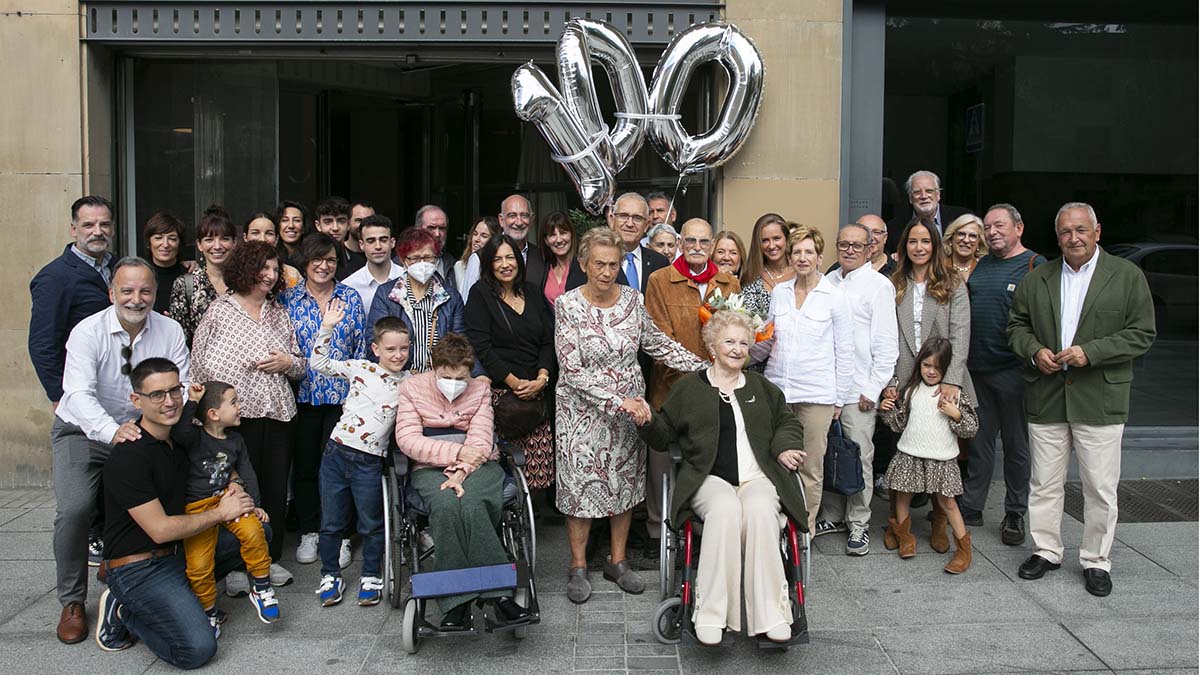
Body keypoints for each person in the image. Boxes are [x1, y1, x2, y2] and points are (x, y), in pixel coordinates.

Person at [1008, 202, 1155, 597]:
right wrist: (1034, 350)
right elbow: (1016, 326)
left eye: (1080, 230)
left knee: (1100, 487)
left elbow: (1142, 332)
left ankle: (1095, 560)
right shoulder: (1039, 277)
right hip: (1048, 393)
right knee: (1043, 483)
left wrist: (1091, 352)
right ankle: (1046, 550)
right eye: (1065, 232)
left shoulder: (1126, 276)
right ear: (1057, 238)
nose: (1073, 238)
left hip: (1100, 397)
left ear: (1097, 231)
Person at [554, 227, 706, 604]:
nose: (606, 272)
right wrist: (615, 400)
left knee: (623, 485)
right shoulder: (568, 305)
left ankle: (618, 561)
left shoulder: (633, 302)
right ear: (585, 264)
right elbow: (571, 370)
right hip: (581, 413)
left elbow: (658, 345)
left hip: (630, 412)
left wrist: (704, 366)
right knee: (580, 489)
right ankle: (577, 566)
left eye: (614, 264)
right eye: (599, 264)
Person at [637, 310, 807, 646]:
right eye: (729, 341)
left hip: (757, 477)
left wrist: (787, 447)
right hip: (709, 479)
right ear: (712, 345)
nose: (737, 348)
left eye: (744, 343)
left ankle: (772, 614)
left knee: (761, 513)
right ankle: (711, 615)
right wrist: (646, 420)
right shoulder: (689, 388)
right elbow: (664, 433)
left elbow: (787, 423)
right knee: (725, 510)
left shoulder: (762, 387)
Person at [49, 257, 189, 645]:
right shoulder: (87, 331)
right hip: (84, 429)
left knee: (156, 500)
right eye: (126, 290)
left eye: (145, 290)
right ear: (112, 293)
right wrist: (114, 433)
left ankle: (123, 572)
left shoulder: (170, 329)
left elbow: (182, 381)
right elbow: (78, 393)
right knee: (76, 508)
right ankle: (72, 601)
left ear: (155, 293)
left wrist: (152, 429)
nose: (136, 298)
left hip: (145, 429)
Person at [94, 358, 255, 666]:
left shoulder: (182, 441)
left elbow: (220, 463)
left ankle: (178, 597)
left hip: (177, 553)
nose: (169, 402)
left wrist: (235, 485)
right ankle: (125, 611)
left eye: (174, 391)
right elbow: (161, 530)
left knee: (255, 531)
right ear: (136, 400)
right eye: (157, 395)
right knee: (197, 649)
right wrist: (221, 513)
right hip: (139, 567)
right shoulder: (129, 456)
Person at [393, 334, 532, 630]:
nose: (454, 382)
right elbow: (407, 440)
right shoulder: (412, 388)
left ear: (471, 371)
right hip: (429, 467)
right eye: (447, 376)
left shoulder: (480, 389)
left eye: (461, 377)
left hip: (479, 466)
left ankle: (499, 596)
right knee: (445, 505)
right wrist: (455, 454)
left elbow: (481, 437)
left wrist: (461, 471)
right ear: (434, 368)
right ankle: (457, 601)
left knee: (471, 503)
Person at [190, 240, 305, 574]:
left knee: (274, 486)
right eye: (262, 268)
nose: (269, 276)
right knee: (240, 487)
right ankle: (239, 563)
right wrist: (203, 417)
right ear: (244, 269)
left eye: (274, 269)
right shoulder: (219, 311)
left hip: (279, 413)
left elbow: (300, 365)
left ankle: (270, 558)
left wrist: (287, 362)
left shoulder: (279, 312)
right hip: (236, 418)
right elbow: (198, 366)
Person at [879, 219, 975, 554]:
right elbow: (884, 334)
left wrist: (952, 380)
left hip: (943, 376)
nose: (919, 248)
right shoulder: (893, 282)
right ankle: (898, 522)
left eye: (925, 241)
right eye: (912, 242)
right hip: (904, 376)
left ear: (935, 245)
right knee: (902, 450)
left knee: (942, 451)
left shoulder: (951, 282)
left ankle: (939, 519)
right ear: (904, 246)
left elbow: (960, 334)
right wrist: (890, 382)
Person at [643, 218, 740, 547]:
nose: (697, 247)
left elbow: (736, 333)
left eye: (703, 242)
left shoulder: (728, 283)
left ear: (713, 245)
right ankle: (659, 529)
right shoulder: (660, 280)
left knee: (708, 457)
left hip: (717, 391)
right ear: (680, 244)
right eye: (690, 241)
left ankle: (700, 524)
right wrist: (696, 373)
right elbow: (659, 337)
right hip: (669, 388)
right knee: (661, 461)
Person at [311, 302, 411, 608]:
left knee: (371, 522)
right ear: (375, 348)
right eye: (391, 348)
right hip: (336, 453)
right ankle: (330, 574)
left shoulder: (409, 382)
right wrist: (327, 327)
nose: (397, 355)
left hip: (369, 460)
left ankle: (371, 574)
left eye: (404, 349)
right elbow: (319, 363)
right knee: (331, 521)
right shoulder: (361, 367)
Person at [754, 225, 853, 534]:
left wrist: (838, 399)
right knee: (774, 461)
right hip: (778, 392)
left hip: (817, 396)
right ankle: (775, 525)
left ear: (819, 257)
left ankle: (804, 532)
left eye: (809, 251)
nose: (802, 257)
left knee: (810, 466)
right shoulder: (780, 292)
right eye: (796, 251)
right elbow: (769, 339)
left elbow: (845, 351)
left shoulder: (834, 297)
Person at [959, 203, 1047, 540]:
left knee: (1016, 447)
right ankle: (972, 506)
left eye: (999, 226)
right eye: (988, 227)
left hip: (1015, 373)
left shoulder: (1034, 266)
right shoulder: (981, 266)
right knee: (979, 444)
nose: (992, 232)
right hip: (977, 371)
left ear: (1018, 228)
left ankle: (1015, 513)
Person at [283, 233, 367, 568]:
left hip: (341, 400)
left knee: (339, 470)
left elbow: (360, 348)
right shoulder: (289, 300)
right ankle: (310, 530)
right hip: (302, 398)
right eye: (317, 258)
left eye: (331, 259)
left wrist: (357, 395)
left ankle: (342, 535)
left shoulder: (350, 297)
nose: (324, 265)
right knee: (305, 468)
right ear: (305, 261)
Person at [814, 223, 898, 555]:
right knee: (830, 453)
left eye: (857, 245)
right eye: (844, 244)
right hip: (826, 385)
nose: (849, 250)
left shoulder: (879, 286)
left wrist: (874, 387)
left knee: (859, 455)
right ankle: (832, 514)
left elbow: (887, 343)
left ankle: (859, 522)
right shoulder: (827, 281)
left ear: (870, 248)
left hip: (860, 389)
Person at [174, 382, 278, 631]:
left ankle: (261, 586)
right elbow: (180, 433)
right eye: (234, 402)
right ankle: (209, 610)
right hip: (197, 509)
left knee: (255, 531)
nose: (240, 406)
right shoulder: (195, 439)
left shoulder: (236, 440)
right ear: (213, 414)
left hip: (227, 499)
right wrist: (193, 401)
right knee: (199, 565)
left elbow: (247, 473)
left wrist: (254, 505)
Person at [464, 234, 557, 511]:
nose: (505, 264)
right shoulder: (481, 294)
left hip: (537, 391)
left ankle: (524, 518)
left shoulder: (532, 291)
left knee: (537, 475)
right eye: (497, 259)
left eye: (510, 257)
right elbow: (481, 345)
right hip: (501, 393)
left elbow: (547, 340)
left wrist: (542, 378)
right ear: (488, 264)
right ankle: (504, 516)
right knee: (502, 470)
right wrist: (514, 382)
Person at [879, 338, 979, 573]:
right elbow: (899, 423)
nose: (931, 371)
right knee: (903, 495)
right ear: (919, 365)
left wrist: (955, 415)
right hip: (910, 454)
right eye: (926, 365)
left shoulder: (953, 393)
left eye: (937, 367)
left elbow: (971, 428)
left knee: (948, 502)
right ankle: (904, 536)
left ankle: (964, 549)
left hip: (941, 458)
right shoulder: (911, 390)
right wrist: (887, 410)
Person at [29, 196, 117, 416]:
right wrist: (59, 396)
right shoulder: (54, 278)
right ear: (73, 229)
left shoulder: (119, 266)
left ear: (112, 228)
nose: (98, 231)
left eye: (104, 224)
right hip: (80, 389)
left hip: (119, 384)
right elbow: (43, 343)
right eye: (88, 225)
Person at [367, 226, 465, 372]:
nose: (422, 263)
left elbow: (460, 344)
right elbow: (373, 341)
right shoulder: (387, 294)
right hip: (398, 379)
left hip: (439, 380)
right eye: (415, 258)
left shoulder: (450, 297)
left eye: (428, 257)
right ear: (403, 260)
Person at [169, 206, 238, 346]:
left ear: (234, 243)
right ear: (199, 245)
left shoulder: (245, 283)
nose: (217, 246)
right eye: (209, 239)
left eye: (225, 239)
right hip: (198, 365)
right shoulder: (186, 285)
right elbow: (180, 339)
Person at [461, 195, 545, 293]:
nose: (518, 222)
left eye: (524, 215)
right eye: (512, 216)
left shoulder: (541, 256)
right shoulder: (480, 258)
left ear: (531, 219)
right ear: (501, 220)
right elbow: (468, 303)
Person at [884, 170, 972, 254]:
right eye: (917, 192)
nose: (924, 196)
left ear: (938, 195)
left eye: (929, 191)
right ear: (910, 198)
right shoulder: (894, 228)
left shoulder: (961, 218)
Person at [608, 191, 669, 294]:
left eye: (637, 218)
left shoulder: (660, 263)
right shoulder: (595, 260)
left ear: (646, 225)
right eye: (623, 216)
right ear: (612, 220)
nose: (630, 224)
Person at [344, 214, 403, 311]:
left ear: (392, 243)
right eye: (371, 241)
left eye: (383, 240)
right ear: (361, 245)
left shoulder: (407, 278)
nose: (378, 246)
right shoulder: (349, 286)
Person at [741, 213, 794, 320]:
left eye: (776, 238)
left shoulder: (801, 272)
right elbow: (747, 322)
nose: (771, 245)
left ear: (787, 239)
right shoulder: (751, 278)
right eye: (765, 240)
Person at [142, 211, 193, 314]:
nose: (165, 244)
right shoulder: (140, 274)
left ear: (180, 243)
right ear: (149, 243)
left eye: (172, 239)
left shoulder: (190, 277)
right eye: (158, 238)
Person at [243, 211, 302, 288]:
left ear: (276, 239)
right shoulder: (234, 271)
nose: (262, 239)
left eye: (269, 233)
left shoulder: (291, 274)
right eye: (255, 233)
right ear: (245, 237)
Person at [539, 211, 578, 304]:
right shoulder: (544, 268)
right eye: (553, 235)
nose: (559, 240)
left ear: (571, 234)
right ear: (546, 241)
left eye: (563, 233)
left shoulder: (584, 267)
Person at [455, 216, 499, 298]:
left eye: (484, 236)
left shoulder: (497, 270)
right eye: (475, 234)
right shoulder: (459, 266)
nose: (476, 239)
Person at [416, 204, 458, 289]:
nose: (437, 234)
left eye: (442, 228)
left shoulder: (452, 263)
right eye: (431, 228)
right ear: (418, 230)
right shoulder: (402, 263)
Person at [312, 196, 354, 280]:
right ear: (318, 225)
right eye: (328, 222)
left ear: (349, 224)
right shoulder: (306, 260)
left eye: (341, 221)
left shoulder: (359, 262)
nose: (335, 228)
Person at [943, 214, 987, 283]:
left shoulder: (985, 269)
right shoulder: (939, 267)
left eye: (972, 236)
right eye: (961, 234)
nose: (966, 240)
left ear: (979, 242)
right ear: (951, 238)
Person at [344, 199, 374, 274]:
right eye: (359, 220)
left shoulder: (381, 253)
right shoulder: (338, 254)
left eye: (369, 220)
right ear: (348, 223)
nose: (364, 225)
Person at [276, 200, 307, 268]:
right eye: (284, 220)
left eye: (297, 220)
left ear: (304, 227)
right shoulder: (272, 255)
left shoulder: (311, 255)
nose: (291, 226)